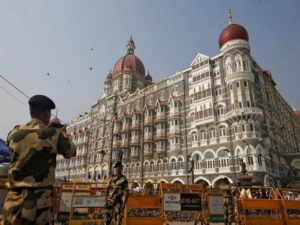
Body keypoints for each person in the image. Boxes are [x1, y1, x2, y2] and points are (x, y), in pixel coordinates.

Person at [3, 95, 76, 225]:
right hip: (38, 206)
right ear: (45, 113)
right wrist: (65, 136)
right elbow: (71, 152)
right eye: (49, 112)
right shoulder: (53, 135)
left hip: (13, 202)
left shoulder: (13, 134)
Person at [105, 161, 129, 225]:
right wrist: (105, 200)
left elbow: (127, 192)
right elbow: (107, 189)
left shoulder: (124, 179)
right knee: (108, 220)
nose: (117, 169)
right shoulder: (111, 178)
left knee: (119, 220)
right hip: (110, 201)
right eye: (116, 168)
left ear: (121, 169)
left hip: (119, 202)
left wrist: (124, 204)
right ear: (114, 169)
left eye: (119, 168)